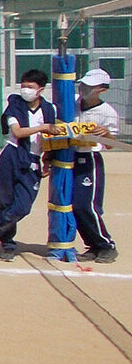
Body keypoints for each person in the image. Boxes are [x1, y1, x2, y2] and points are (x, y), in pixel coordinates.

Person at [0, 70, 55, 260]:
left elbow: (48, 138)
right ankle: (7, 245)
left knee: (23, 206)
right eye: (23, 86)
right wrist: (43, 127)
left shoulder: (48, 109)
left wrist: (48, 158)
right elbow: (18, 132)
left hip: (32, 160)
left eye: (30, 87)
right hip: (11, 155)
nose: (26, 90)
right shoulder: (15, 106)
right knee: (5, 203)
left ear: (40, 89)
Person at [74, 67, 119, 263]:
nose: (84, 89)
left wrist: (105, 134)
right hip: (70, 157)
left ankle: (106, 245)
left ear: (101, 89)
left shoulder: (107, 112)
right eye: (83, 85)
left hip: (90, 159)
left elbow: (111, 145)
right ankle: (92, 244)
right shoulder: (73, 103)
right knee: (73, 205)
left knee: (87, 205)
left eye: (90, 87)